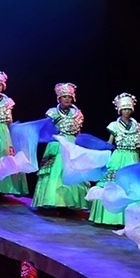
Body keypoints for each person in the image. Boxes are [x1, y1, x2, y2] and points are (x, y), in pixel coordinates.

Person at [87, 93, 140, 226]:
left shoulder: (137, 126)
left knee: (131, 186)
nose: (127, 111)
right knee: (113, 184)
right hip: (118, 157)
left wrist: (139, 163)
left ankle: (127, 219)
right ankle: (109, 217)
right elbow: (109, 143)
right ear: (120, 110)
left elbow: (138, 148)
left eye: (129, 109)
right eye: (124, 109)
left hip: (132, 157)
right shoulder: (114, 125)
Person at [34, 82, 89, 211]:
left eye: (69, 97)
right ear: (59, 98)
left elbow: (78, 133)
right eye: (64, 97)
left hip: (72, 144)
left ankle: (70, 203)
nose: (67, 99)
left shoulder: (77, 114)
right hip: (57, 143)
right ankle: (53, 200)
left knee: (72, 170)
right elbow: (46, 130)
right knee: (56, 171)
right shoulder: (52, 113)